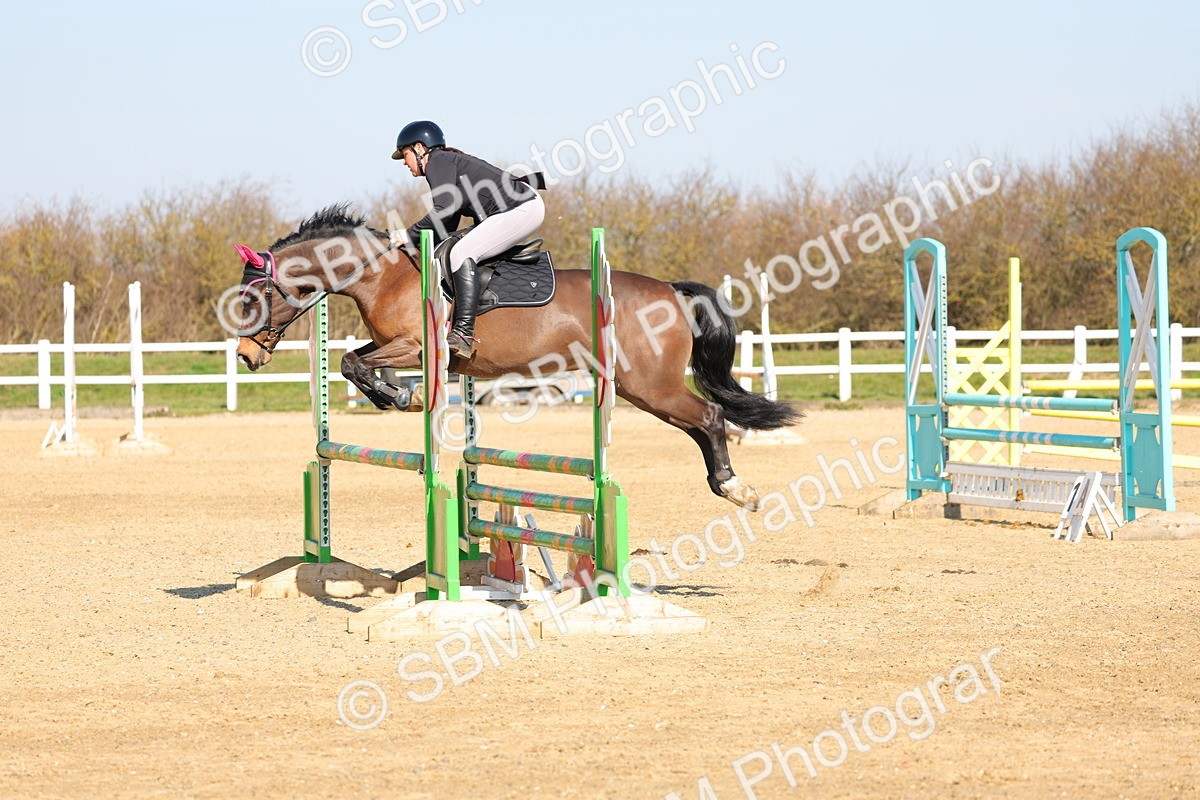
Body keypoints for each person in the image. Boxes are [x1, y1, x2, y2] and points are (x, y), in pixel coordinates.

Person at [391, 120, 545, 358]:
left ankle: (463, 334)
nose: (404, 162)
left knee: (461, 253)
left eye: (405, 154)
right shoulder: (446, 164)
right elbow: (447, 222)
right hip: (520, 206)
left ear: (420, 148)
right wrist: (418, 245)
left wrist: (407, 234)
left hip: (521, 208)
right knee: (452, 249)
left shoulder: (438, 162)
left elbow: (444, 209)